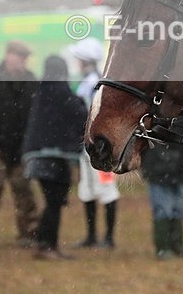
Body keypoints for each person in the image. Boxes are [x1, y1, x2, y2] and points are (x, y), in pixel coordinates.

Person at [0, 40, 39, 247]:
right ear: (9, 55)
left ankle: (27, 233)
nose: (22, 61)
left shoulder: (30, 80)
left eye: (25, 58)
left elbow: (34, 116)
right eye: (19, 56)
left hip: (21, 149)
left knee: (25, 193)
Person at [22, 55, 88, 260]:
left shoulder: (42, 90)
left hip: (39, 153)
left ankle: (47, 244)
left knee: (53, 201)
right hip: (53, 155)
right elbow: (78, 114)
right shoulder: (59, 89)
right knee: (54, 201)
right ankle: (45, 245)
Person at [70, 38, 120, 249]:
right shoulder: (92, 81)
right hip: (90, 148)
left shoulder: (92, 83)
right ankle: (93, 236)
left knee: (106, 189)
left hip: (98, 148)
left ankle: (107, 237)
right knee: (88, 189)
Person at [140, 142, 183, 260]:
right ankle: (163, 248)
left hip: (177, 175)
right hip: (158, 176)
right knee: (162, 211)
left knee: (179, 211)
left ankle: (177, 246)